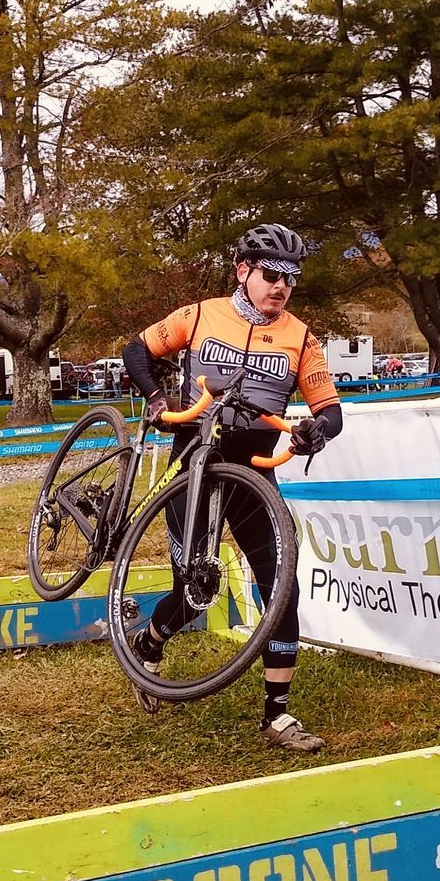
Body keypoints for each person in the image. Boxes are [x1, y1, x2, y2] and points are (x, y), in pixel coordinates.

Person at [122, 223, 346, 753]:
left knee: (281, 587)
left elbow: (330, 410)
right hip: (196, 461)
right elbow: (137, 351)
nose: (281, 287)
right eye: (271, 275)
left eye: (290, 280)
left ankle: (278, 715)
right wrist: (156, 400)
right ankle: (149, 641)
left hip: (254, 468)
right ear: (243, 271)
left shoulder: (301, 336)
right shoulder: (199, 315)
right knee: (196, 593)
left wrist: (319, 430)